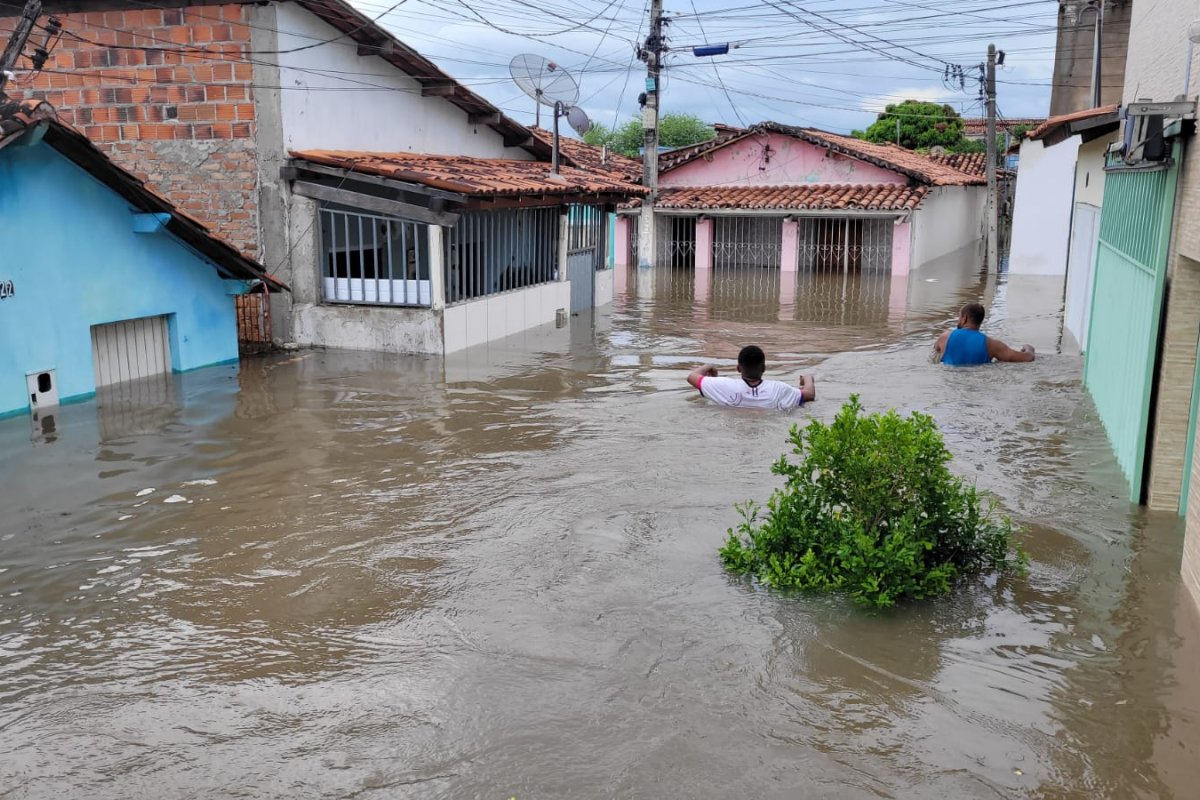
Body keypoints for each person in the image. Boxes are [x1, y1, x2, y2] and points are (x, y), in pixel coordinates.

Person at [687, 345, 816, 410]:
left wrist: (709, 366)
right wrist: (808, 378)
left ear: (738, 368)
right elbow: (809, 395)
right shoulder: (779, 388)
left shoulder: (724, 385)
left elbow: (692, 376)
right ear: (764, 368)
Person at [933, 302, 1035, 366]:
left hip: (949, 382)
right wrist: (1029, 349)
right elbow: (1027, 358)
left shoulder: (945, 337)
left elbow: (935, 353)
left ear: (964, 318)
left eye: (959, 317)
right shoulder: (991, 344)